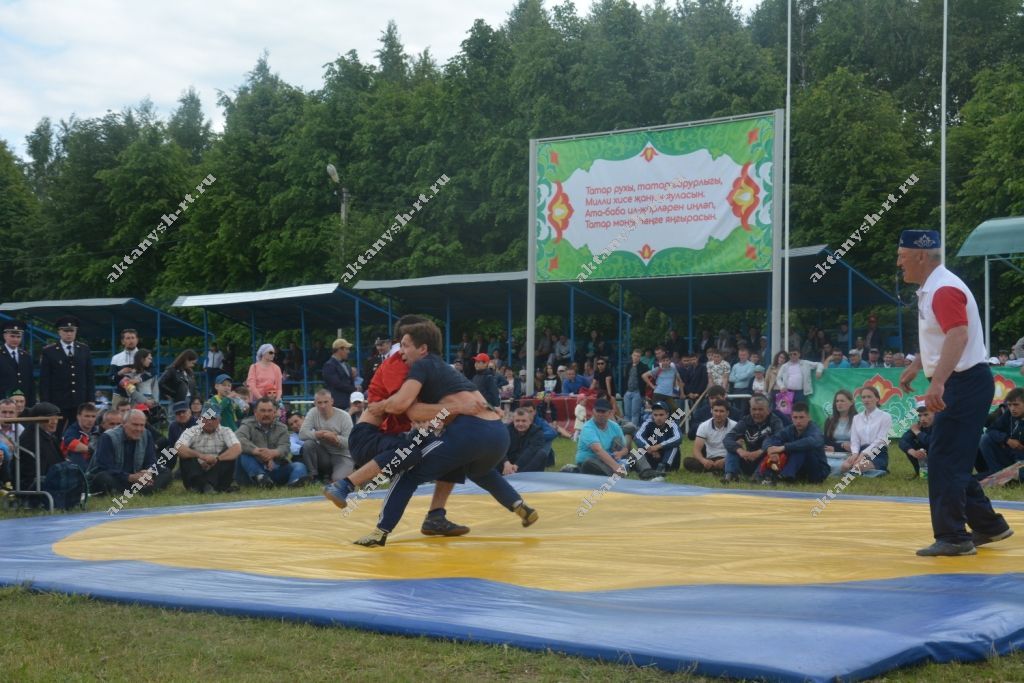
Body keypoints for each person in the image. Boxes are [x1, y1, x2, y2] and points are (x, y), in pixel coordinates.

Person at [326, 320, 538, 547]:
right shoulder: (442, 369)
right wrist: (452, 410)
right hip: (497, 435)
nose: (402, 351)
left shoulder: (421, 365)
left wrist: (383, 405)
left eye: (406, 345)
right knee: (475, 469)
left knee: (409, 470)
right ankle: (515, 505)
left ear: (423, 348)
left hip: (469, 432)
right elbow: (421, 410)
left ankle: (379, 529)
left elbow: (406, 407)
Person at [896, 228, 1013, 556]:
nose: (898, 263)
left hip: (965, 382)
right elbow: (942, 334)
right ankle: (990, 525)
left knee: (945, 459)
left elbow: (958, 335)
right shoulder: (933, 287)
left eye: (902, 257)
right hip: (966, 381)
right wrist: (920, 364)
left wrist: (938, 382)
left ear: (920, 256)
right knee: (952, 458)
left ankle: (953, 537)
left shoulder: (943, 289)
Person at [89, 408, 171, 495]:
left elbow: (151, 460)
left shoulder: (146, 434)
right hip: (118, 477)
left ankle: (133, 490)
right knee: (102, 477)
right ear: (124, 424)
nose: (139, 429)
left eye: (142, 425)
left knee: (165, 472)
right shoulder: (108, 437)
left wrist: (148, 473)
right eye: (135, 425)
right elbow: (105, 466)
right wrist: (130, 477)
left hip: (137, 475)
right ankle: (142, 490)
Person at [236, 397, 311, 488]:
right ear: (255, 412)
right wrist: (257, 451)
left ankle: (293, 483)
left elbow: (285, 447)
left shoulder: (282, 428)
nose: (266, 414)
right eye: (262, 411)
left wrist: (273, 453)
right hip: (251, 472)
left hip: (275, 469)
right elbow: (238, 438)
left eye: (269, 411)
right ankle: (260, 477)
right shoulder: (247, 424)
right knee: (243, 453)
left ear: (274, 412)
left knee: (299, 466)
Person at [39, 315, 95, 428]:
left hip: (80, 401)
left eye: (72, 331)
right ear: (59, 332)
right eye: (65, 331)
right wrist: (46, 403)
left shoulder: (84, 349)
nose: (69, 334)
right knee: (56, 432)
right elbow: (45, 380)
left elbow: (89, 376)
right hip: (58, 402)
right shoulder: (49, 351)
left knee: (80, 430)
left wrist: (91, 399)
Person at [174, 402, 241, 493]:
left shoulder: (226, 431)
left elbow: (237, 448)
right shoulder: (191, 430)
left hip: (217, 471)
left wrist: (217, 459)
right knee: (186, 454)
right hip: (197, 470)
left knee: (229, 453)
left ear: (219, 419)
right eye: (207, 418)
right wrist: (201, 456)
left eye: (213, 419)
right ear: (200, 419)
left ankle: (208, 485)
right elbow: (178, 447)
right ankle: (201, 486)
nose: (209, 421)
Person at [761, 402, 830, 484]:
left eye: (801, 417)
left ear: (809, 417)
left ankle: (785, 477)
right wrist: (770, 449)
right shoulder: (790, 429)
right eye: (795, 417)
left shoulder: (815, 429)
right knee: (778, 450)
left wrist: (783, 447)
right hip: (800, 470)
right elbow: (771, 439)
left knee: (801, 448)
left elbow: (811, 442)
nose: (798, 421)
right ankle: (768, 476)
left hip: (818, 472)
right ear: (791, 418)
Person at [721, 395, 784, 483]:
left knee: (773, 453)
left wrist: (761, 451)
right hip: (748, 458)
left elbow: (779, 440)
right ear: (750, 410)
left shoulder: (775, 422)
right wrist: (740, 451)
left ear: (768, 410)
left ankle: (759, 476)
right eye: (754, 409)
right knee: (733, 449)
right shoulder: (745, 421)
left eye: (760, 409)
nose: (757, 412)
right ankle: (730, 475)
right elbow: (727, 439)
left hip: (764, 459)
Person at [299, 389, 354, 483]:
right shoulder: (313, 412)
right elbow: (302, 434)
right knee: (308, 444)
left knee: (338, 481)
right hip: (324, 453)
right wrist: (318, 434)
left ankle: (348, 472)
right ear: (315, 403)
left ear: (332, 401)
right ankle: (314, 476)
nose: (323, 406)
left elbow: (351, 443)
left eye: (326, 402)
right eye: (319, 403)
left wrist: (335, 438)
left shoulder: (344, 416)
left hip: (343, 455)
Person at [840, 386, 892, 474]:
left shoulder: (885, 417)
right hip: (860, 451)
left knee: (857, 467)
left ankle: (877, 468)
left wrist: (863, 454)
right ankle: (867, 470)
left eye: (869, 396)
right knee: (844, 467)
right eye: (863, 397)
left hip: (878, 452)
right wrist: (855, 453)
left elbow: (881, 440)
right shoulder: (856, 418)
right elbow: (855, 440)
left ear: (877, 399)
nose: (866, 399)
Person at [977, 387, 1023, 480]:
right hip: (1010, 457)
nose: (1012, 408)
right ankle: (998, 475)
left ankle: (1000, 477)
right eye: (1009, 405)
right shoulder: (1009, 414)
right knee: (984, 439)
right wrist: (1007, 440)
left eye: (1016, 404)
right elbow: (991, 430)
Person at [575, 398, 628, 475]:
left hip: (609, 459)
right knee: (589, 462)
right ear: (593, 411)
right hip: (591, 461)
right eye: (597, 411)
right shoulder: (588, 427)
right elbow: (598, 450)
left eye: (603, 411)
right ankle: (614, 473)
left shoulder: (615, 426)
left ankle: (647, 471)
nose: (599, 414)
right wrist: (616, 467)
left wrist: (621, 453)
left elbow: (625, 448)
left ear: (610, 413)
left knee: (637, 454)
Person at [17, 402, 63, 490]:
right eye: (49, 418)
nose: (54, 421)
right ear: (37, 419)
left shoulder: (48, 436)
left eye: (56, 417)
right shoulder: (31, 439)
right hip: (33, 487)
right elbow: (32, 470)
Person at [685, 399, 735, 474]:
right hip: (710, 460)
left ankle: (714, 471)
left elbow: (738, 449)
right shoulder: (703, 426)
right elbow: (696, 450)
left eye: (721, 411)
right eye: (716, 410)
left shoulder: (735, 426)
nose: (718, 414)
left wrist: (725, 460)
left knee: (737, 461)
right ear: (711, 411)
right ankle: (717, 471)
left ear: (727, 413)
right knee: (687, 461)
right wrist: (704, 461)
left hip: (727, 458)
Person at [636, 400, 684, 473]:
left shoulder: (672, 423)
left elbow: (678, 438)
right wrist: (650, 448)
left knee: (674, 446)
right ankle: (645, 468)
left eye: (661, 415)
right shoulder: (648, 423)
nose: (658, 418)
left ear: (667, 415)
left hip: (669, 461)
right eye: (655, 415)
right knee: (641, 447)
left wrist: (658, 446)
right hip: (653, 455)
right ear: (652, 415)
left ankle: (663, 467)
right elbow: (638, 437)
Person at [499, 408, 549, 474]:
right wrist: (506, 462)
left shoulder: (537, 432)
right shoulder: (506, 430)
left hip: (524, 465)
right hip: (507, 464)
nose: (520, 424)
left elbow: (531, 450)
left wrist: (516, 466)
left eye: (524, 421)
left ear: (530, 421)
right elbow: (500, 448)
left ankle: (520, 476)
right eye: (517, 421)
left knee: (542, 454)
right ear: (513, 421)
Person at [1, 320, 36, 407]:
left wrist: (32, 403)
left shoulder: (26, 356)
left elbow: (31, 382)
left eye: (18, 336)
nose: (15, 339)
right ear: (5, 336)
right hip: (4, 404)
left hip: (24, 404)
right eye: (12, 336)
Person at [900, 399, 934, 478]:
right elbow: (902, 441)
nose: (922, 419)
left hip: (946, 462)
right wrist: (914, 452)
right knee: (910, 445)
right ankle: (920, 472)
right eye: (919, 415)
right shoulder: (919, 426)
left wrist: (917, 432)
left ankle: (935, 473)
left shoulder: (940, 426)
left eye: (926, 415)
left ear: (935, 414)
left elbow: (931, 441)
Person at [60, 402, 99, 471]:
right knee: (75, 453)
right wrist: (94, 450)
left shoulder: (97, 430)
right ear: (78, 417)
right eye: (87, 416)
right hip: (69, 466)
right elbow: (72, 445)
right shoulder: (71, 431)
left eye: (93, 416)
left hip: (91, 464)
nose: (90, 420)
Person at [108, 328, 140, 409]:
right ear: (123, 341)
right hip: (120, 396)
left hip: (139, 396)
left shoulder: (144, 356)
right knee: (116, 420)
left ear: (137, 340)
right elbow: (110, 380)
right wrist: (120, 373)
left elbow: (152, 374)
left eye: (133, 338)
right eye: (128, 338)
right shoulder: (116, 358)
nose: (131, 340)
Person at [322, 338, 356, 409]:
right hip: (337, 404)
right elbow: (337, 384)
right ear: (340, 349)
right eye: (347, 349)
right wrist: (354, 389)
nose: (348, 352)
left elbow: (348, 381)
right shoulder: (329, 365)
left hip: (349, 403)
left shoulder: (347, 365)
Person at [823, 389, 857, 456]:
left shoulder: (858, 419)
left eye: (842, 401)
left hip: (852, 456)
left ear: (851, 402)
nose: (839, 403)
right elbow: (826, 441)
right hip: (832, 454)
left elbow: (859, 444)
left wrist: (836, 448)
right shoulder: (830, 420)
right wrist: (841, 445)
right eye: (837, 401)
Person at [623, 349, 650, 427]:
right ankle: (626, 430)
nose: (636, 357)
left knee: (635, 413)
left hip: (637, 392)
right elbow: (625, 379)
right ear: (632, 355)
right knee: (627, 413)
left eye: (638, 356)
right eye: (634, 355)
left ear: (640, 357)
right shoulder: (628, 366)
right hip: (627, 391)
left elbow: (649, 378)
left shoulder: (644, 367)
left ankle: (633, 431)